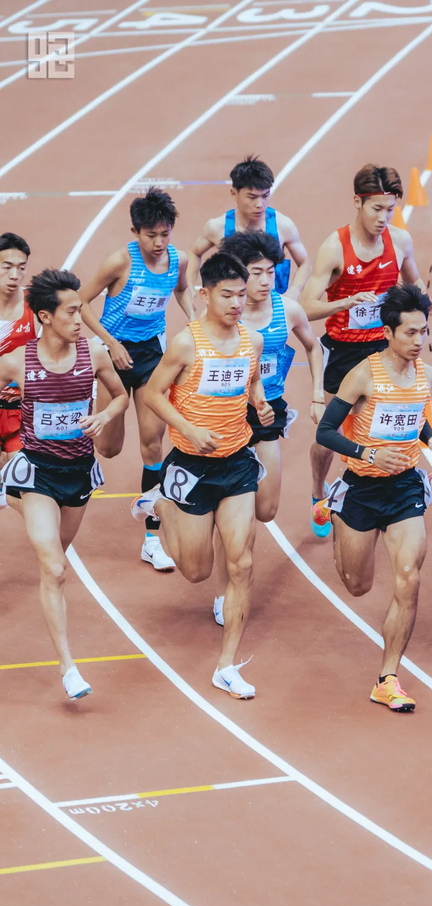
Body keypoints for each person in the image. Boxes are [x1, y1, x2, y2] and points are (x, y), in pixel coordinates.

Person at [132, 253, 274, 699]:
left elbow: (252, 381)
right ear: (205, 294)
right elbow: (153, 394)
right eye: (227, 295)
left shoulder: (252, 341)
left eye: (241, 294)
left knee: (242, 563)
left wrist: (259, 402)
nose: (237, 303)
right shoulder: (185, 343)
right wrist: (189, 428)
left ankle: (226, 665)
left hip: (236, 464)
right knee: (196, 571)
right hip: (191, 466)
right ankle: (158, 503)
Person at [313, 285, 432, 711]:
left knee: (409, 579)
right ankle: (334, 508)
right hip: (361, 487)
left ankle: (387, 678)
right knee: (357, 586)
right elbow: (325, 432)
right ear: (389, 332)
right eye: (410, 333)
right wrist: (368, 453)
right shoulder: (363, 375)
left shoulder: (425, 375)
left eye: (423, 332)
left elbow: (415, 420)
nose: (418, 341)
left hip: (404, 488)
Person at [0, 269, 128, 699]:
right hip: (37, 472)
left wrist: (104, 416)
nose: (80, 318)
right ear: (45, 316)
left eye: (80, 309)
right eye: (71, 312)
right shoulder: (18, 361)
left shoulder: (95, 354)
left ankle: (8, 493)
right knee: (55, 568)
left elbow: (121, 395)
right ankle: (68, 667)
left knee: (54, 559)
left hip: (78, 473)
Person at [301, 163, 432, 537]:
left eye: (390, 209)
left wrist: (428, 302)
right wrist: (345, 303)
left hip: (384, 346)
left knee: (399, 413)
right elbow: (306, 307)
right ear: (357, 202)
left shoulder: (400, 241)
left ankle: (400, 484)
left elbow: (415, 280)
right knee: (330, 434)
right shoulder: (335, 248)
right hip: (342, 352)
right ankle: (318, 489)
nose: (383, 217)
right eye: (376, 208)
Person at [209, 230, 324, 625]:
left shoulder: (287, 310)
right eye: (255, 272)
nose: (264, 280)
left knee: (267, 509)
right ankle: (226, 590)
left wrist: (317, 394)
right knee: (236, 514)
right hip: (226, 414)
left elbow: (313, 346)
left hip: (267, 413)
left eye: (270, 272)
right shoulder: (225, 314)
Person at [78, 187, 191, 573]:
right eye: (151, 235)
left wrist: (194, 321)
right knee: (108, 448)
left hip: (150, 357)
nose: (159, 243)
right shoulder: (119, 262)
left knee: (152, 444)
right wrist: (110, 343)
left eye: (165, 234)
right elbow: (81, 301)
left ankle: (152, 540)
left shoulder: (178, 260)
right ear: (135, 232)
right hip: (112, 356)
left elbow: (182, 290)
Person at [187, 155, 310, 302]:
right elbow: (194, 253)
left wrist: (295, 291)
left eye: (265, 196)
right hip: (233, 306)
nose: (260, 204)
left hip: (273, 305)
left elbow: (304, 263)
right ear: (234, 194)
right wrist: (189, 286)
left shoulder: (283, 226)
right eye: (252, 197)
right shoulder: (217, 227)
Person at [0, 234, 36, 499]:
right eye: (7, 267)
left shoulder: (35, 306)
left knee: (25, 487)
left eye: (21, 268)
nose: (14, 275)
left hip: (19, 412)